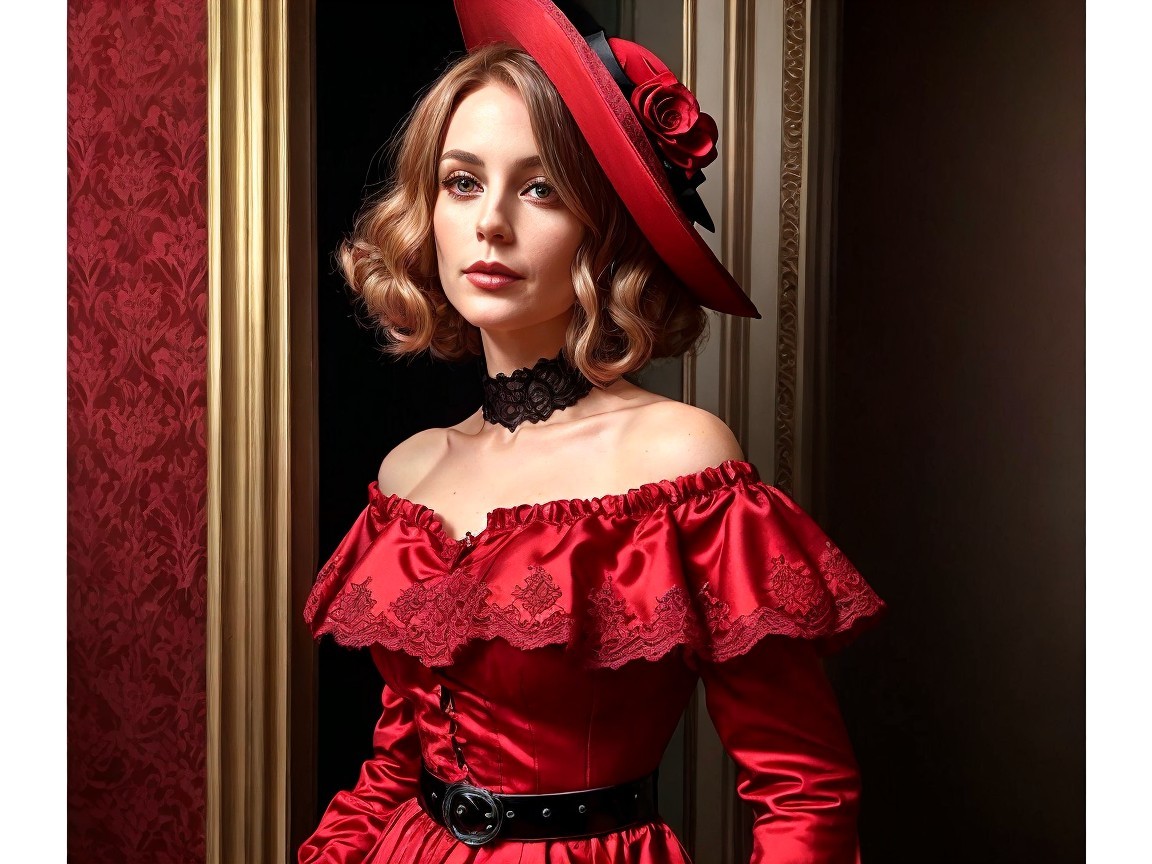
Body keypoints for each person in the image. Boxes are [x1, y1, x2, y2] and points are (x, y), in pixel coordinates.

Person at [300, 1, 885, 861]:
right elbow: (396, 764)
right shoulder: (408, 474)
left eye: (540, 188)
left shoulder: (682, 461)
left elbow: (803, 790)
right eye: (463, 182)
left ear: (605, 230)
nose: (491, 221)